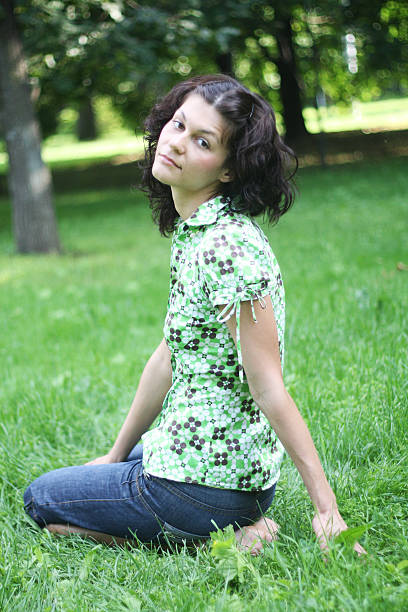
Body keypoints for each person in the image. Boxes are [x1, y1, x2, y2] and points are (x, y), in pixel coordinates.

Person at [24, 74, 365, 556]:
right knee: (125, 462)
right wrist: (115, 455)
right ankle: (225, 518)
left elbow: (268, 386)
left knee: (41, 500)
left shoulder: (224, 248)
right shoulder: (201, 232)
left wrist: (326, 509)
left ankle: (224, 538)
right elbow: (168, 355)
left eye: (201, 141)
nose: (177, 143)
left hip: (211, 488)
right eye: (179, 125)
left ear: (228, 170)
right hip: (223, 467)